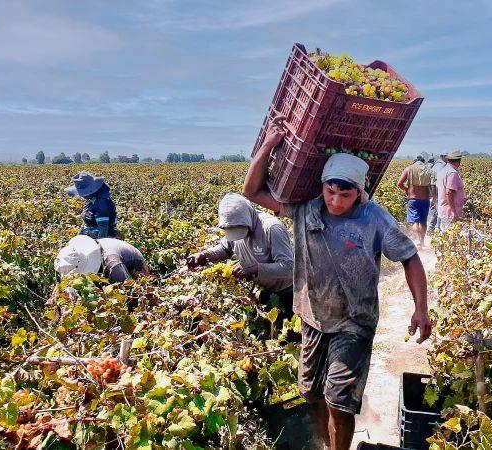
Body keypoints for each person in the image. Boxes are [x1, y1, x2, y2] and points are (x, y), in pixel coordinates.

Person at [242, 115, 432, 450]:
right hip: (313, 318)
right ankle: (323, 443)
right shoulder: (305, 210)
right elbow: (252, 191)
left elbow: (410, 257)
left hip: (355, 321)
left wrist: (421, 309)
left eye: (345, 195)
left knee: (338, 400)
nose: (335, 202)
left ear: (359, 193)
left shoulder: (375, 218)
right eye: (331, 192)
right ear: (322, 188)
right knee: (311, 393)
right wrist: (269, 145)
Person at [186, 193, 294, 313]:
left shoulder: (271, 228)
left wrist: (256, 268)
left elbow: (290, 268)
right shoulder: (233, 224)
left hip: (289, 291)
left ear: (247, 218)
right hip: (264, 289)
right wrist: (205, 255)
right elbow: (225, 248)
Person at [54, 235, 149, 283]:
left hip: (135, 261)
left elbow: (129, 286)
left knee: (131, 291)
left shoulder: (113, 264)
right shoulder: (83, 253)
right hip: (114, 254)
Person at [397, 156, 435, 248]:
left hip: (413, 199)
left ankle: (418, 241)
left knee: (415, 222)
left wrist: (406, 190)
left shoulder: (409, 169)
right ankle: (422, 242)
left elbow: (399, 184)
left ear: (414, 162)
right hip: (425, 200)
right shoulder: (429, 170)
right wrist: (434, 197)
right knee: (423, 222)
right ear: (423, 162)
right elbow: (433, 186)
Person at [69, 171, 118, 239]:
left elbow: (103, 229)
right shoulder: (92, 199)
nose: (82, 196)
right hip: (90, 233)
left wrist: (99, 245)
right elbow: (85, 220)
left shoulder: (101, 202)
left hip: (101, 235)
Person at [432, 150, 465, 232]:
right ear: (459, 161)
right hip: (450, 213)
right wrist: (454, 212)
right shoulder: (452, 173)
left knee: (446, 236)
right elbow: (449, 193)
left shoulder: (443, 171)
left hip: (444, 210)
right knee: (451, 237)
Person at [429, 153, 449, 233]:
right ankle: (437, 228)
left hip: (434, 188)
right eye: (447, 157)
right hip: (440, 188)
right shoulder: (443, 166)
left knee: (437, 208)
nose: (448, 158)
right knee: (440, 209)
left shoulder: (435, 165)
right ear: (443, 157)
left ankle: (431, 228)